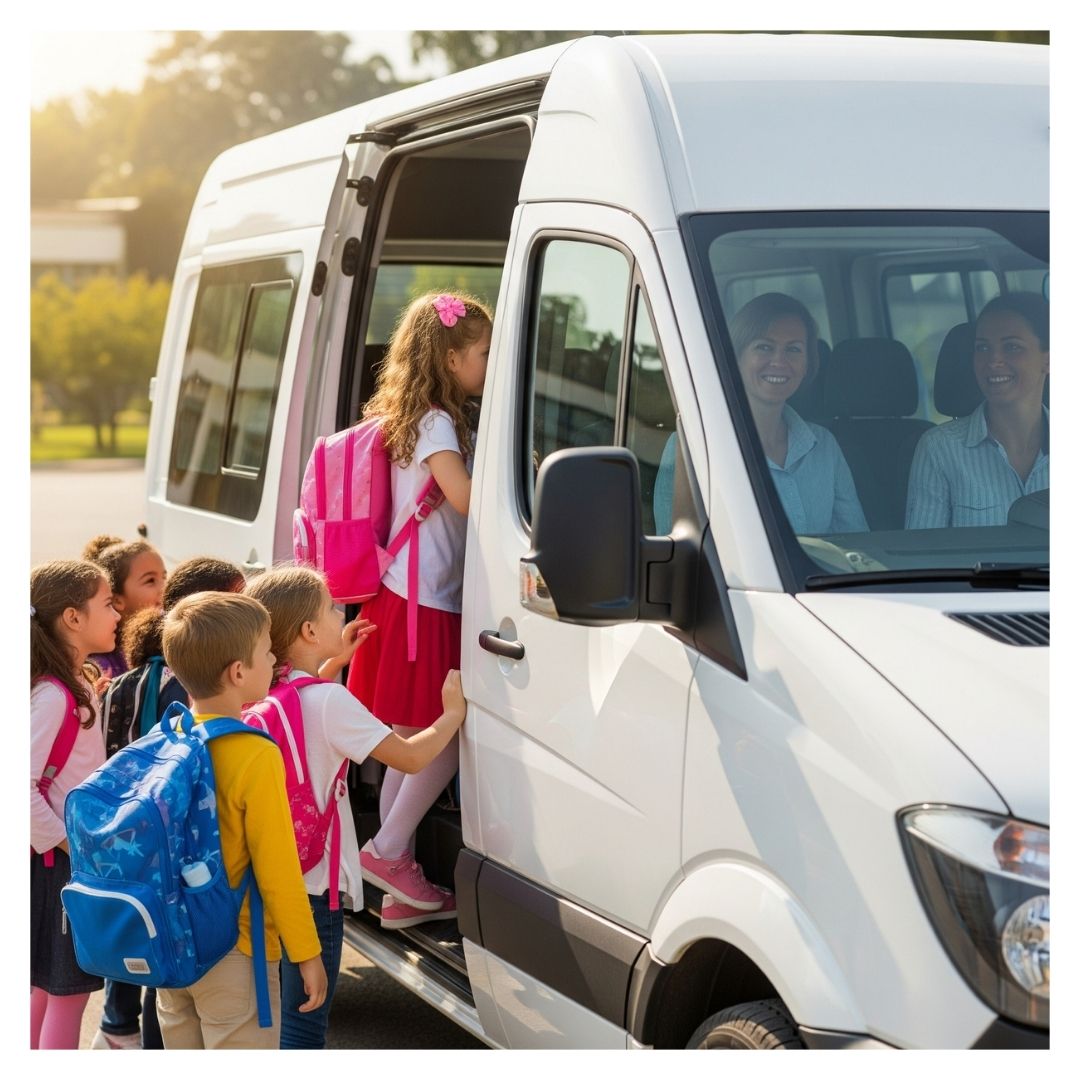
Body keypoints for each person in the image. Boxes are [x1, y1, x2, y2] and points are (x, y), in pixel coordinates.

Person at [245, 565, 468, 1049]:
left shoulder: (266, 687)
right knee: (306, 1021)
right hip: (317, 887)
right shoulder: (330, 702)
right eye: (330, 608)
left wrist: (334, 662)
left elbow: (307, 710)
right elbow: (410, 755)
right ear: (308, 630)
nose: (338, 613)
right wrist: (451, 715)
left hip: (271, 878)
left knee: (276, 1010)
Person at [345, 291, 491, 914]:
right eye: (484, 351)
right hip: (422, 601)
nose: (491, 361)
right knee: (447, 733)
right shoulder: (435, 421)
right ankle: (389, 847)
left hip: (409, 594)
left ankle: (397, 881)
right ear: (453, 356)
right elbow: (462, 497)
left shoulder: (417, 415)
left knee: (408, 730)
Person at [155, 591, 327, 1049]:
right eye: (268, 650)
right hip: (237, 952)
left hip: (172, 951)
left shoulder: (167, 738)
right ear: (238, 672)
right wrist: (307, 952)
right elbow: (277, 868)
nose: (275, 658)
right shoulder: (254, 752)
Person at [92, 556, 246, 1050]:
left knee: (135, 936)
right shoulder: (201, 691)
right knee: (173, 962)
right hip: (188, 849)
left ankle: (116, 1028)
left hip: (127, 839)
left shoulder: (122, 684)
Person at [30, 559, 121, 1049]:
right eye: (107, 604)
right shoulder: (53, 695)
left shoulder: (70, 685)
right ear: (72, 618)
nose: (117, 614)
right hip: (56, 865)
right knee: (67, 995)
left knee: (46, 991)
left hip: (56, 862)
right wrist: (70, 845)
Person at [906, 292, 1049, 529]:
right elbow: (922, 556)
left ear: (1049, 360)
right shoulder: (940, 449)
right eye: (982, 348)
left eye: (1012, 347)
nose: (993, 360)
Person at [729, 292, 867, 535]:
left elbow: (856, 543)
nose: (779, 362)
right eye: (764, 347)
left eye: (793, 349)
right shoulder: (693, 447)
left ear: (807, 365)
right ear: (735, 357)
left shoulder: (824, 446)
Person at [83, 534, 167, 679]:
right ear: (117, 600)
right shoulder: (100, 664)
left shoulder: (170, 635)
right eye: (150, 581)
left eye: (164, 577)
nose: (164, 587)